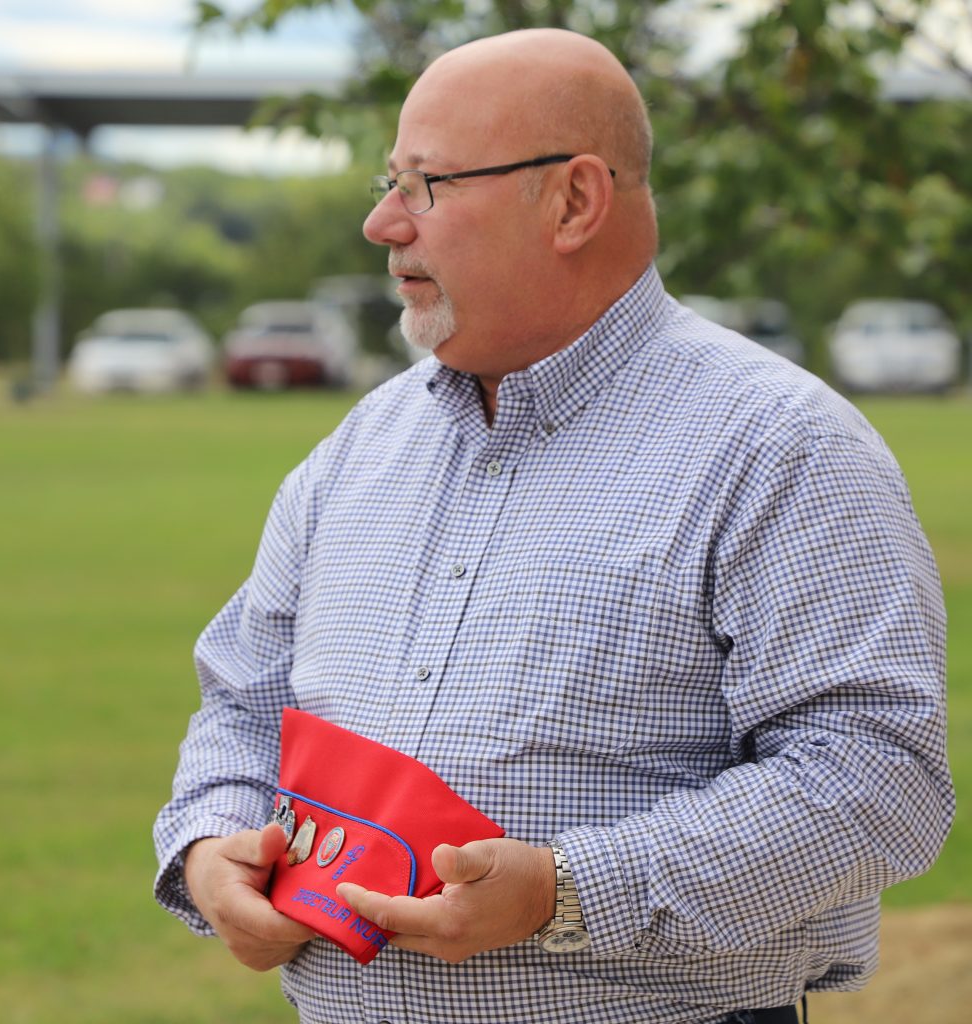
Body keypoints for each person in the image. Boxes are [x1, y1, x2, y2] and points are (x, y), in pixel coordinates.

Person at [153, 27, 954, 1024]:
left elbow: (876, 775)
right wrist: (209, 840)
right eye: (385, 181)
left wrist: (566, 891)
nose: (382, 224)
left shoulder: (778, 447)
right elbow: (244, 701)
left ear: (573, 199)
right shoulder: (363, 446)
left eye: (426, 185)